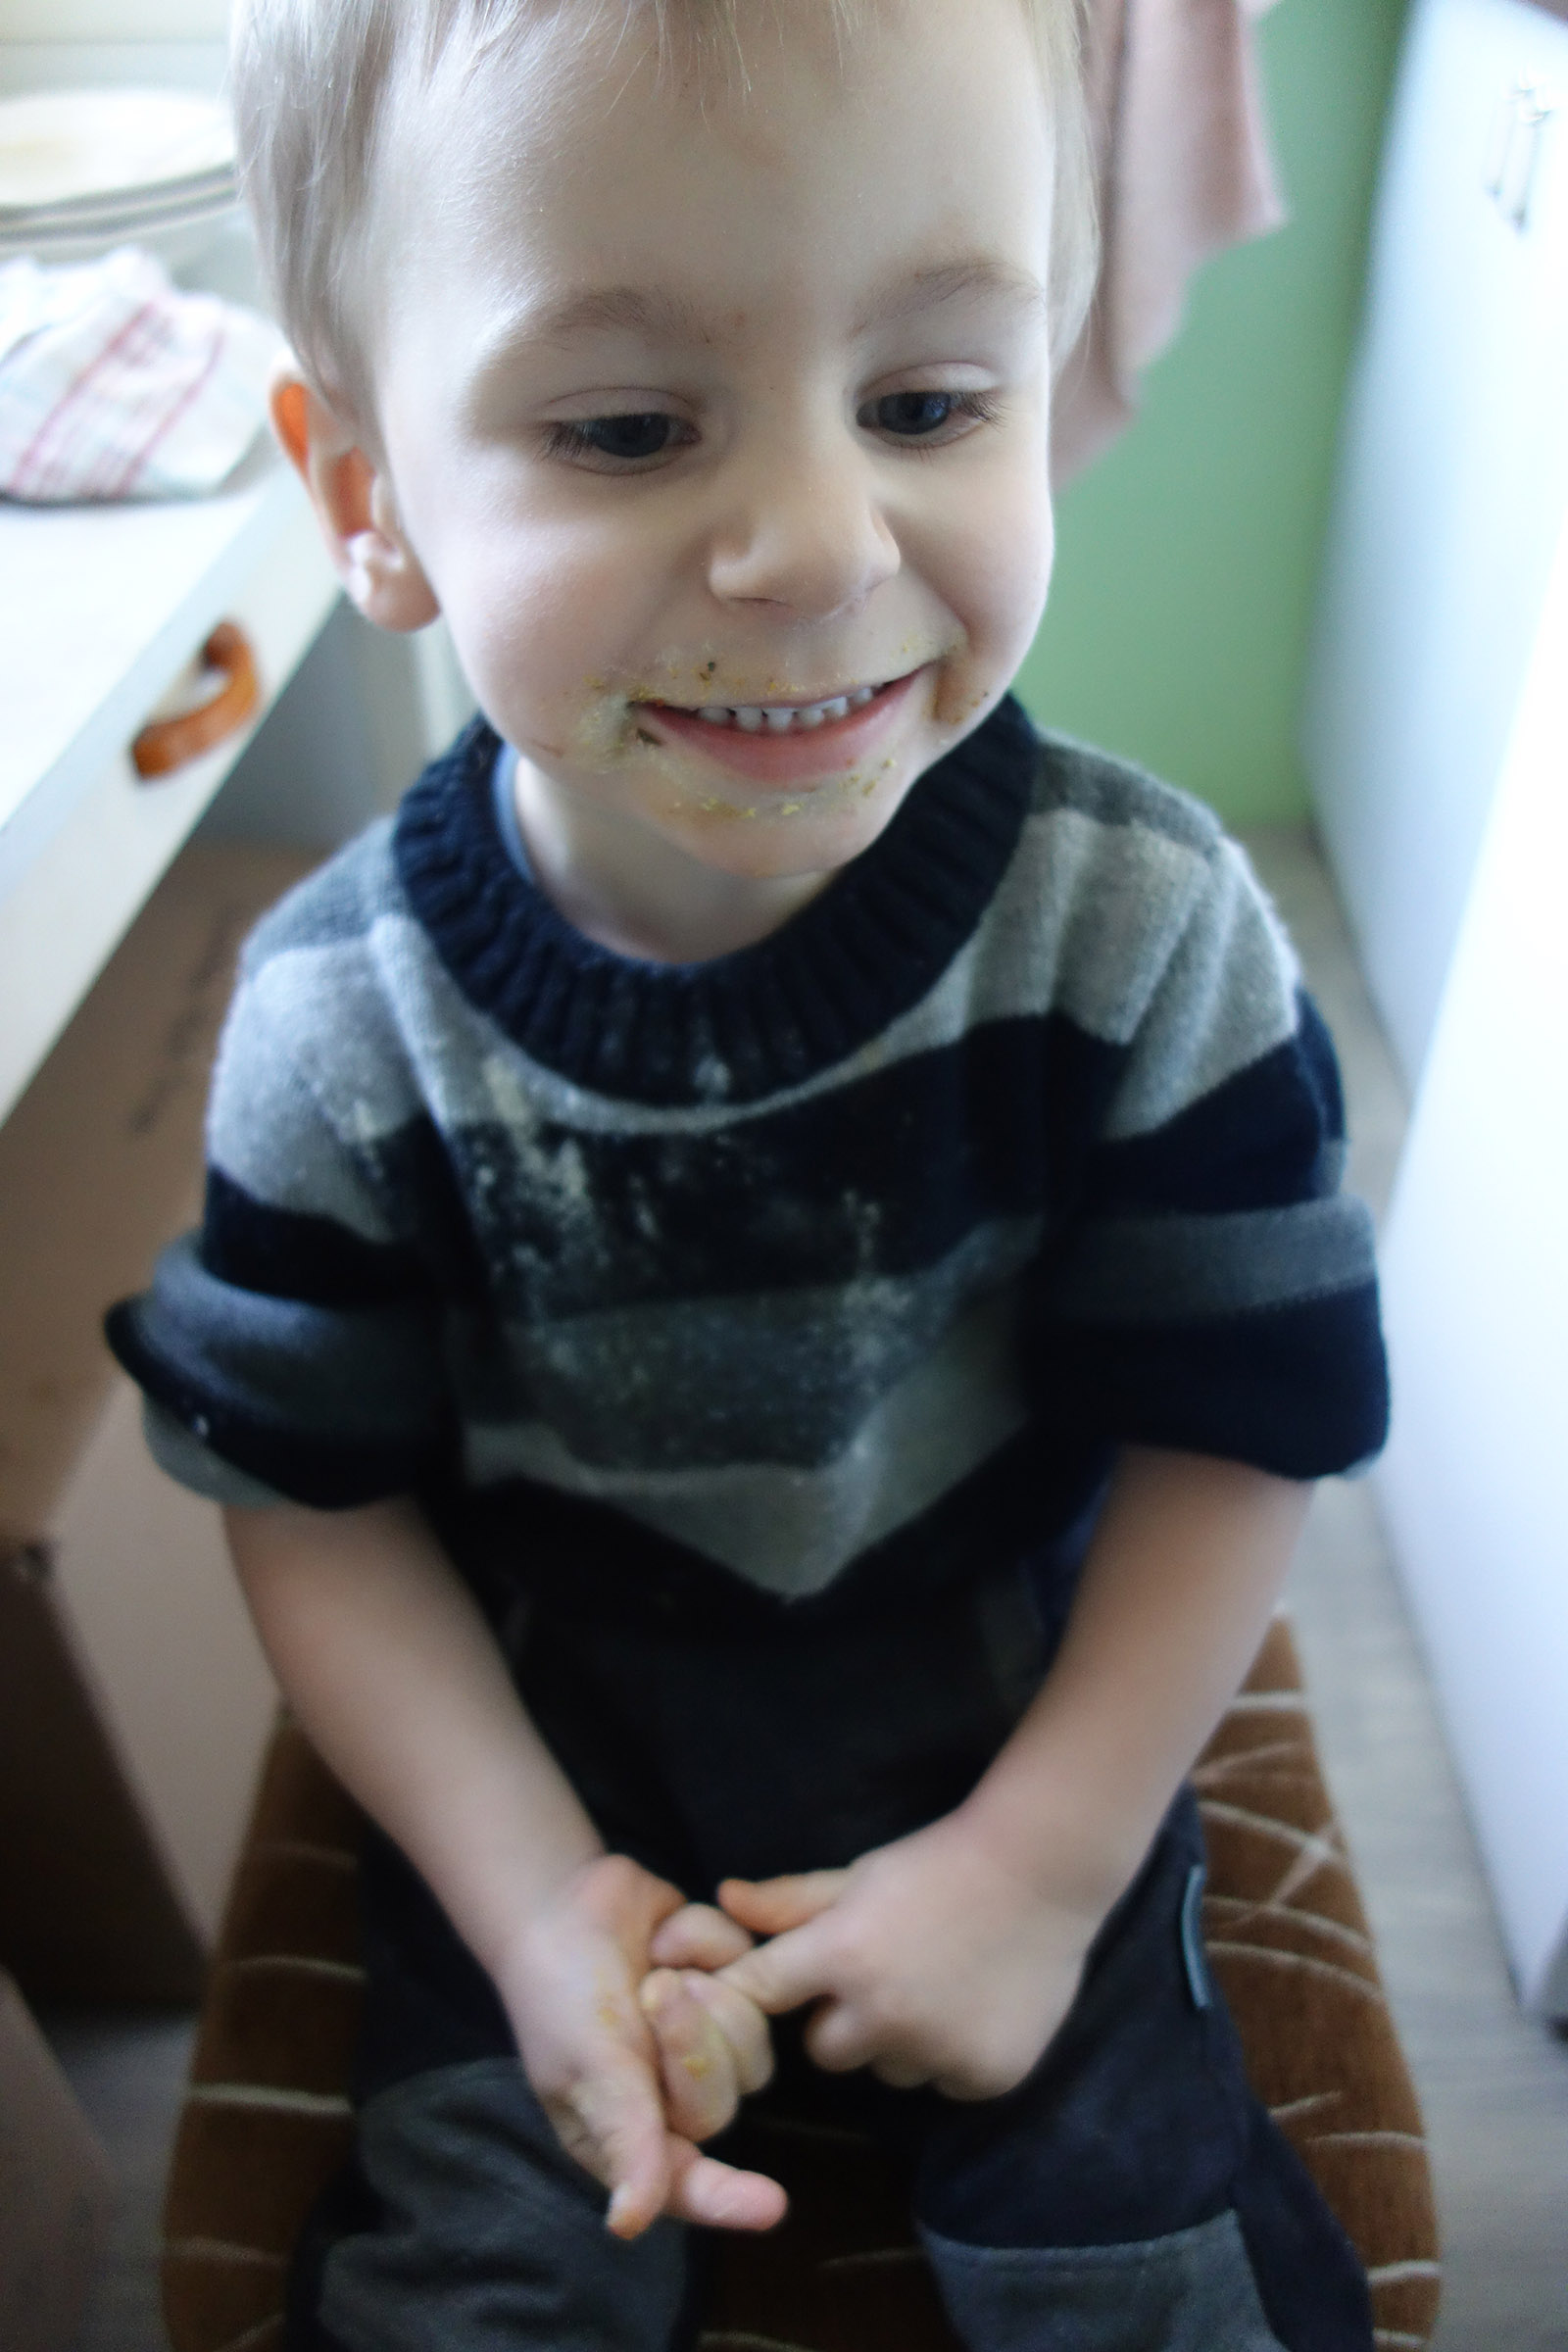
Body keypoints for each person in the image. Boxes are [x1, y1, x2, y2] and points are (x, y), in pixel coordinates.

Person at [108, 1, 1388, 2344]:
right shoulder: (335, 1024)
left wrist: (1042, 1865)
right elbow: (310, 1497)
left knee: (1143, 2270)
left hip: (1011, 1704)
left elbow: (1241, 1421)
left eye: (926, 402)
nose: (815, 545)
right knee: (471, 2283)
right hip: (548, 1743)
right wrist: (531, 1906)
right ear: (367, 497)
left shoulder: (1139, 935)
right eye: (624, 427)